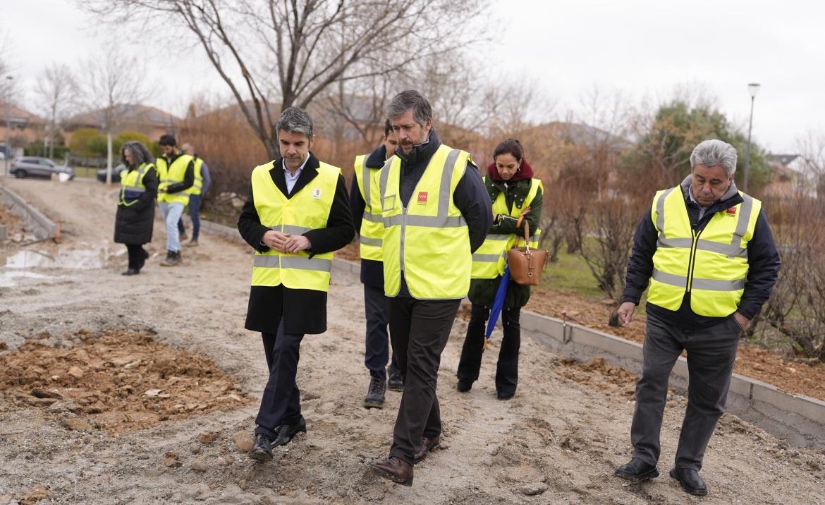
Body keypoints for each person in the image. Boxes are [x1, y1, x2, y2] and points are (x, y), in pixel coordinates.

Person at [614, 139, 780, 496]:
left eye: (715, 182)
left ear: (730, 178)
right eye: (699, 179)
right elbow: (641, 252)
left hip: (719, 325)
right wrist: (631, 297)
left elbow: (768, 266)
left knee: (707, 400)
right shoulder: (664, 201)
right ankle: (644, 457)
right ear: (691, 171)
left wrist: (743, 316)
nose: (705, 189)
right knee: (651, 383)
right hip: (664, 316)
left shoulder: (750, 211)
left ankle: (687, 466)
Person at [370, 90, 492, 486]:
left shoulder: (456, 165)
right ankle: (431, 431)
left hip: (439, 289)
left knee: (420, 368)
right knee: (407, 364)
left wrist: (452, 259)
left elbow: (481, 219)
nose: (402, 135)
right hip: (398, 286)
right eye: (396, 128)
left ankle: (401, 456)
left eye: (408, 127)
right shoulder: (387, 170)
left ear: (427, 123)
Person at [237, 106, 355, 462]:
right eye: (286, 142)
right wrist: (263, 235)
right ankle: (293, 418)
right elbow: (245, 221)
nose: (291, 150)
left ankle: (264, 431)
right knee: (274, 354)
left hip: (306, 282)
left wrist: (309, 241)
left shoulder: (331, 177)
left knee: (287, 348)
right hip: (268, 280)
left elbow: (346, 229)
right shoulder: (260, 175)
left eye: (298, 144)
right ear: (278, 139)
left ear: (311, 141)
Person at [456, 139, 543, 400]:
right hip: (483, 269)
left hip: (516, 269)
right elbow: (477, 218)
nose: (504, 170)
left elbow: (531, 223)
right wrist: (512, 221)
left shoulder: (534, 188)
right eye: (500, 165)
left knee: (511, 324)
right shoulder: (482, 183)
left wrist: (498, 219)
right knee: (476, 322)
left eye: (510, 166)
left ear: (520, 163)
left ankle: (506, 385)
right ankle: (466, 377)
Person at [350, 119, 403, 409]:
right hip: (375, 259)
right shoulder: (363, 168)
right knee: (377, 322)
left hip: (408, 260)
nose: (396, 149)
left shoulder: (417, 168)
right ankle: (377, 376)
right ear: (384, 139)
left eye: (401, 143)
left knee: (402, 321)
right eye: (392, 143)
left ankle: (398, 367)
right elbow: (353, 214)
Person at [113, 141, 158, 276]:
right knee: (128, 240)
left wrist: (139, 206)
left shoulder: (148, 169)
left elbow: (152, 191)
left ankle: (134, 267)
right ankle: (141, 257)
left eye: (129, 156)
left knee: (134, 241)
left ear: (137, 155)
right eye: (125, 156)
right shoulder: (128, 169)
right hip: (126, 208)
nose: (127, 159)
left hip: (139, 211)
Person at [155, 134, 194, 266]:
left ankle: (172, 253)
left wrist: (170, 188)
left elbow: (189, 182)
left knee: (171, 224)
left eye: (167, 148)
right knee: (168, 226)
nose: (164, 151)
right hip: (163, 198)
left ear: (174, 146)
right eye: (163, 148)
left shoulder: (187, 160)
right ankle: (176, 253)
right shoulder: (160, 160)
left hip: (178, 198)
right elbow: (158, 178)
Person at [176, 142, 212, 247]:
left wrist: (201, 192)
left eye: (185, 151)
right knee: (175, 214)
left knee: (194, 216)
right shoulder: (180, 162)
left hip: (194, 194)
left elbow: (207, 180)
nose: (182, 153)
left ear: (191, 151)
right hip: (182, 193)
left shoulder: (200, 163)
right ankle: (182, 233)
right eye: (181, 150)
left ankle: (195, 239)